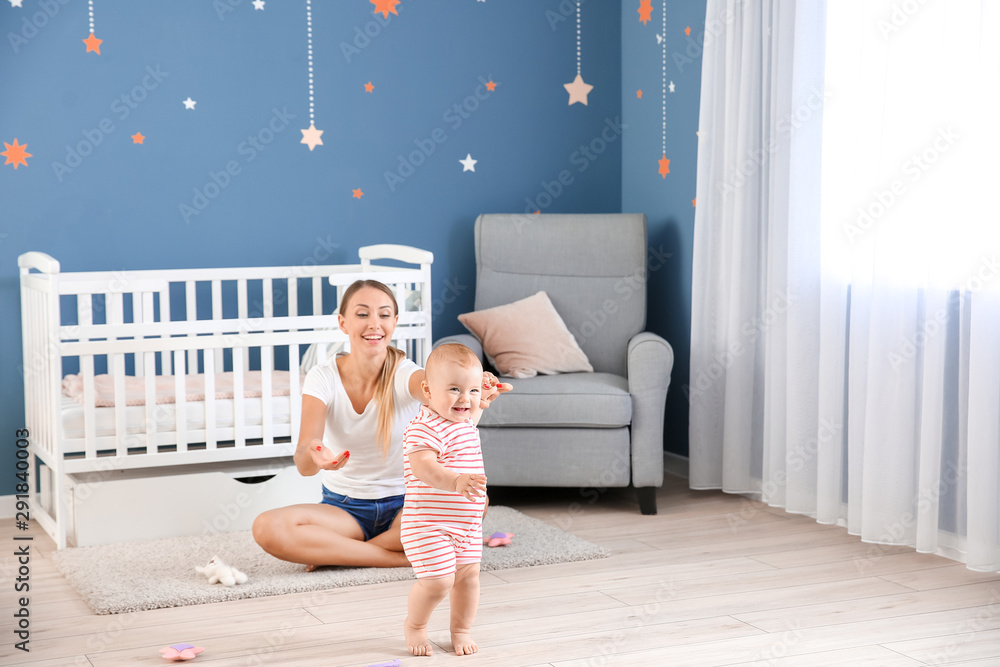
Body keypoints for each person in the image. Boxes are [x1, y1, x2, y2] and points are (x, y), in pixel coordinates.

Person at [251, 280, 508, 570]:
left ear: (395, 322)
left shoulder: (406, 373)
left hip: (409, 505)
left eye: (384, 315)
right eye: (362, 314)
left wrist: (472, 388)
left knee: (476, 501)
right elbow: (304, 466)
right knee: (267, 527)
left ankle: (342, 554)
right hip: (345, 510)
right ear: (343, 322)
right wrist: (314, 454)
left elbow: (435, 385)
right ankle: (399, 557)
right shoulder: (321, 377)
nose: (374, 324)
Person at [400, 343, 490, 657]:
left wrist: (485, 395)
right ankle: (415, 625)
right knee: (439, 581)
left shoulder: (464, 422)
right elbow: (423, 467)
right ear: (427, 390)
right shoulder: (424, 427)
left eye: (472, 391)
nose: (465, 399)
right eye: (454, 389)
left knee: (468, 579)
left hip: (466, 526)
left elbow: (470, 412)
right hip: (428, 525)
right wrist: (455, 481)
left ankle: (461, 629)